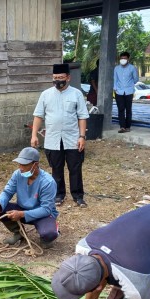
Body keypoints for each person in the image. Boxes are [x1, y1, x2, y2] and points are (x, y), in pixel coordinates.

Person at [31, 63, 89, 208]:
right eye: (55, 78)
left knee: (75, 168)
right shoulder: (46, 94)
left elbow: (82, 116)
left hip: (73, 138)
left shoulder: (76, 94)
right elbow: (38, 116)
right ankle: (58, 195)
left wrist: (82, 137)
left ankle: (78, 196)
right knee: (56, 169)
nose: (58, 80)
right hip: (53, 139)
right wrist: (34, 135)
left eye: (61, 77)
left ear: (68, 78)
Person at [0, 147, 59, 249]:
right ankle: (18, 233)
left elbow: (46, 209)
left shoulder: (48, 182)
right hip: (23, 209)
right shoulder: (18, 174)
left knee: (49, 234)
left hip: (42, 214)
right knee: (1, 208)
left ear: (36, 164)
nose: (21, 168)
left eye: (24, 165)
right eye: (20, 164)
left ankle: (47, 234)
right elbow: (7, 192)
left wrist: (21, 214)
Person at [113, 51, 139, 133]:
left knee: (128, 109)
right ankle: (122, 127)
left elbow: (136, 79)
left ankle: (128, 126)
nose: (123, 60)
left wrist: (130, 85)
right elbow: (115, 79)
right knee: (120, 109)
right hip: (119, 91)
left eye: (124, 58)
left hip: (129, 91)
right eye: (121, 58)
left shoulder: (132, 68)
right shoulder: (116, 68)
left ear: (128, 59)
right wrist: (115, 88)